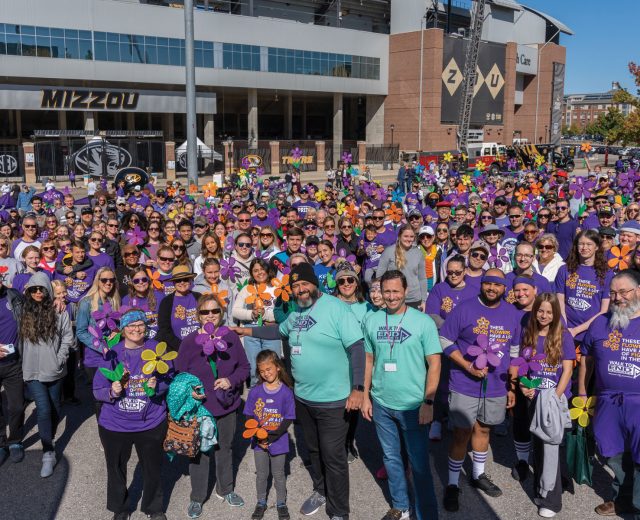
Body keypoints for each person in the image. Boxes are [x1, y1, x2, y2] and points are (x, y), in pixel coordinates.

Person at [235, 263, 365, 520]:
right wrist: (244, 330)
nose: (300, 290)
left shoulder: (336, 308)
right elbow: (276, 330)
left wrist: (358, 388)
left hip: (334, 399)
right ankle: (320, 489)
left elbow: (357, 348)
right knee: (314, 450)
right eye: (294, 286)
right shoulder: (295, 314)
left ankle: (339, 511)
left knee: (334, 456)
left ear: (315, 285)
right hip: (303, 398)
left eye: (304, 284)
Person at [439, 269, 522, 511]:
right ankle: (453, 484)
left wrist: (512, 386)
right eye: (487, 283)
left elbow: (515, 351)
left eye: (497, 285)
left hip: (497, 384)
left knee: (483, 429)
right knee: (461, 433)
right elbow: (445, 339)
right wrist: (466, 365)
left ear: (504, 288)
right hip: (464, 382)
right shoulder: (465, 308)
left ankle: (478, 475)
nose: (491, 288)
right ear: (482, 284)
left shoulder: (512, 313)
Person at [361, 270, 441, 520]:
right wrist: (365, 396)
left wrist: (429, 401)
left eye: (396, 291)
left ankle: (426, 514)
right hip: (382, 402)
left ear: (406, 291)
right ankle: (401, 506)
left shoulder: (422, 322)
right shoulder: (372, 320)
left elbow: (435, 363)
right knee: (391, 459)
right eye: (387, 291)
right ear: (380, 292)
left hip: (413, 405)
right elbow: (369, 359)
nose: (391, 296)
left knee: (419, 465)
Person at [93, 308, 172, 520]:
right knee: (116, 468)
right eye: (131, 325)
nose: (136, 329)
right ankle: (121, 508)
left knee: (152, 468)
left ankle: (154, 508)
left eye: (140, 325)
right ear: (123, 329)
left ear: (146, 327)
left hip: (151, 421)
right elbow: (97, 388)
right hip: (115, 424)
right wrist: (112, 391)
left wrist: (158, 386)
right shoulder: (112, 353)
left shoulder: (157, 349)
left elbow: (169, 378)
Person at [175, 293, 250, 516]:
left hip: (226, 405)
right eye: (205, 311)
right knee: (199, 451)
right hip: (200, 408)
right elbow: (179, 374)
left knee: (224, 448)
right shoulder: (189, 342)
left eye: (215, 311)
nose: (210, 315)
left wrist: (230, 380)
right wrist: (190, 392)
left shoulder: (231, 338)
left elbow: (244, 368)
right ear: (198, 315)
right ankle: (197, 497)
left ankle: (225, 489)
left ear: (221, 313)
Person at [580, 270, 640, 518]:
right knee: (612, 453)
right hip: (607, 400)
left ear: (638, 291)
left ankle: (636, 506)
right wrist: (583, 392)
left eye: (623, 291)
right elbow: (587, 360)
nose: (618, 297)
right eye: (613, 292)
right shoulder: (599, 322)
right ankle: (622, 498)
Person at [509, 293, 574, 518]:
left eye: (549, 311)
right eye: (540, 311)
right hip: (532, 398)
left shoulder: (564, 336)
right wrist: (524, 386)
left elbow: (567, 370)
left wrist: (555, 397)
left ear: (555, 314)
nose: (544, 315)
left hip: (553, 399)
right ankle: (541, 489)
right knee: (538, 446)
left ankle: (551, 501)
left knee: (550, 449)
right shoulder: (529, 334)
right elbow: (525, 368)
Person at [19, 272, 74, 477]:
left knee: (55, 409)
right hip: (32, 371)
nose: (38, 292)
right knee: (42, 409)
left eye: (42, 288)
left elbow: (68, 337)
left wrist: (59, 358)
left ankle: (48, 435)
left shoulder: (60, 312)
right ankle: (48, 452)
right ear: (29, 291)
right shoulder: (23, 311)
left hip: (55, 370)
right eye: (34, 289)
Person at [244, 350, 295, 520]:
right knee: (262, 474)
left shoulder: (286, 392)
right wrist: (259, 436)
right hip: (259, 441)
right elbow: (249, 415)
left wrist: (272, 436)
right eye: (262, 371)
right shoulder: (256, 391)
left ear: (278, 367)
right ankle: (261, 502)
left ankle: (281, 503)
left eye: (269, 369)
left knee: (279, 474)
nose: (266, 374)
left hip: (278, 440)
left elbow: (288, 418)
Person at [76, 267, 121, 417]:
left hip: (113, 355)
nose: (108, 283)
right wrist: (101, 347)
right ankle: (103, 427)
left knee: (115, 391)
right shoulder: (86, 303)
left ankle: (112, 425)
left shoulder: (114, 300)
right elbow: (81, 332)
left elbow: (117, 328)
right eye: (104, 280)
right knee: (100, 396)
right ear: (98, 281)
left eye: (111, 280)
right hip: (95, 357)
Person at [555, 230, 613, 341]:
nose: (584, 247)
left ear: (596, 247)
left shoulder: (607, 274)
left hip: (592, 333)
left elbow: (604, 311)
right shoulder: (564, 270)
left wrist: (576, 330)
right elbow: (560, 303)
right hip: (565, 331)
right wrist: (565, 328)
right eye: (581, 244)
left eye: (589, 244)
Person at [231, 258, 280, 386]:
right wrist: (251, 314)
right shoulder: (247, 289)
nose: (259, 273)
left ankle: (274, 392)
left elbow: (281, 313)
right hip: (251, 331)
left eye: (262, 269)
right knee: (254, 366)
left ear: (267, 270)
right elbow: (235, 311)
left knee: (273, 364)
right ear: (252, 273)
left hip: (270, 331)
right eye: (255, 270)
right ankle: (255, 393)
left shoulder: (276, 287)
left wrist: (266, 315)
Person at [0, 269, 25, 465]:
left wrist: (60, 301)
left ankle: (15, 440)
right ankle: (1, 444)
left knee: (16, 406)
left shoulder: (13, 296)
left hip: (14, 363)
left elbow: (33, 308)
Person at [376, 225, 427, 310]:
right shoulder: (389, 251)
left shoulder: (418, 253)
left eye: (411, 237)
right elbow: (379, 277)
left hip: (414, 298)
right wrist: (382, 297)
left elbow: (422, 278)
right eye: (406, 236)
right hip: (394, 298)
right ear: (399, 236)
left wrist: (424, 300)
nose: (409, 239)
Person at [157, 265, 201, 351]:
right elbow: (164, 330)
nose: (182, 282)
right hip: (177, 349)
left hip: (200, 346)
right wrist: (182, 346)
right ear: (173, 282)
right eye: (178, 280)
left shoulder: (199, 297)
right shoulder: (166, 302)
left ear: (190, 281)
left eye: (185, 279)